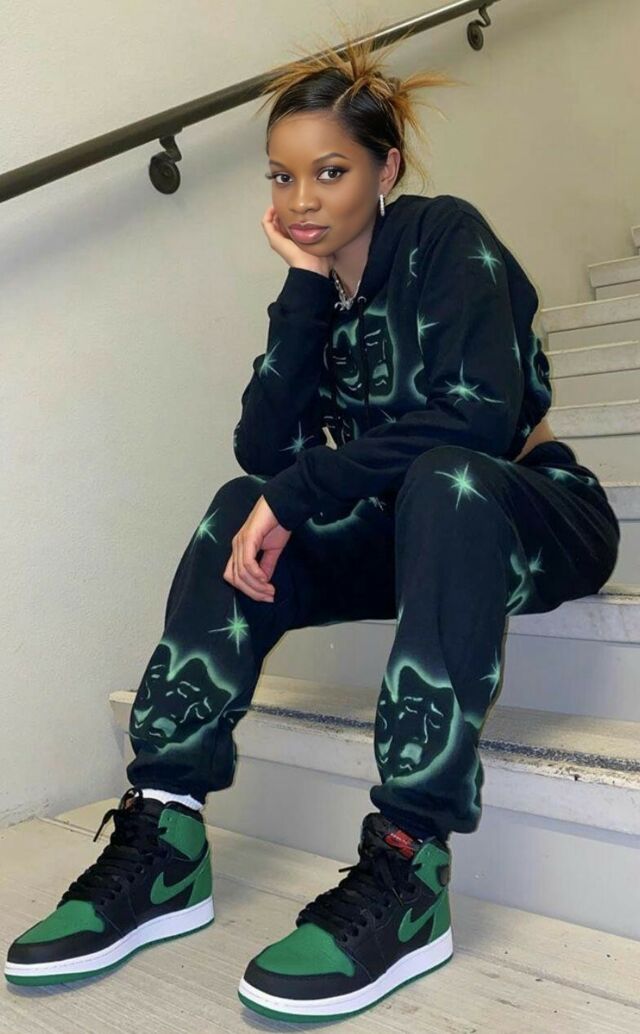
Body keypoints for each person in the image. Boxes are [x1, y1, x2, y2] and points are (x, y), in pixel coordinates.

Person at [5, 25, 620, 1025]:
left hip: (531, 512)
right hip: (409, 533)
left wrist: (301, 490)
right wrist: (302, 287)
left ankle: (409, 862)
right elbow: (263, 446)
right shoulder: (314, 292)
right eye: (282, 177)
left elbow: (478, 419)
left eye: (330, 172)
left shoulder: (445, 238)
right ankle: (165, 835)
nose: (302, 200)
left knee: (446, 479)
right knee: (232, 509)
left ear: (387, 168)